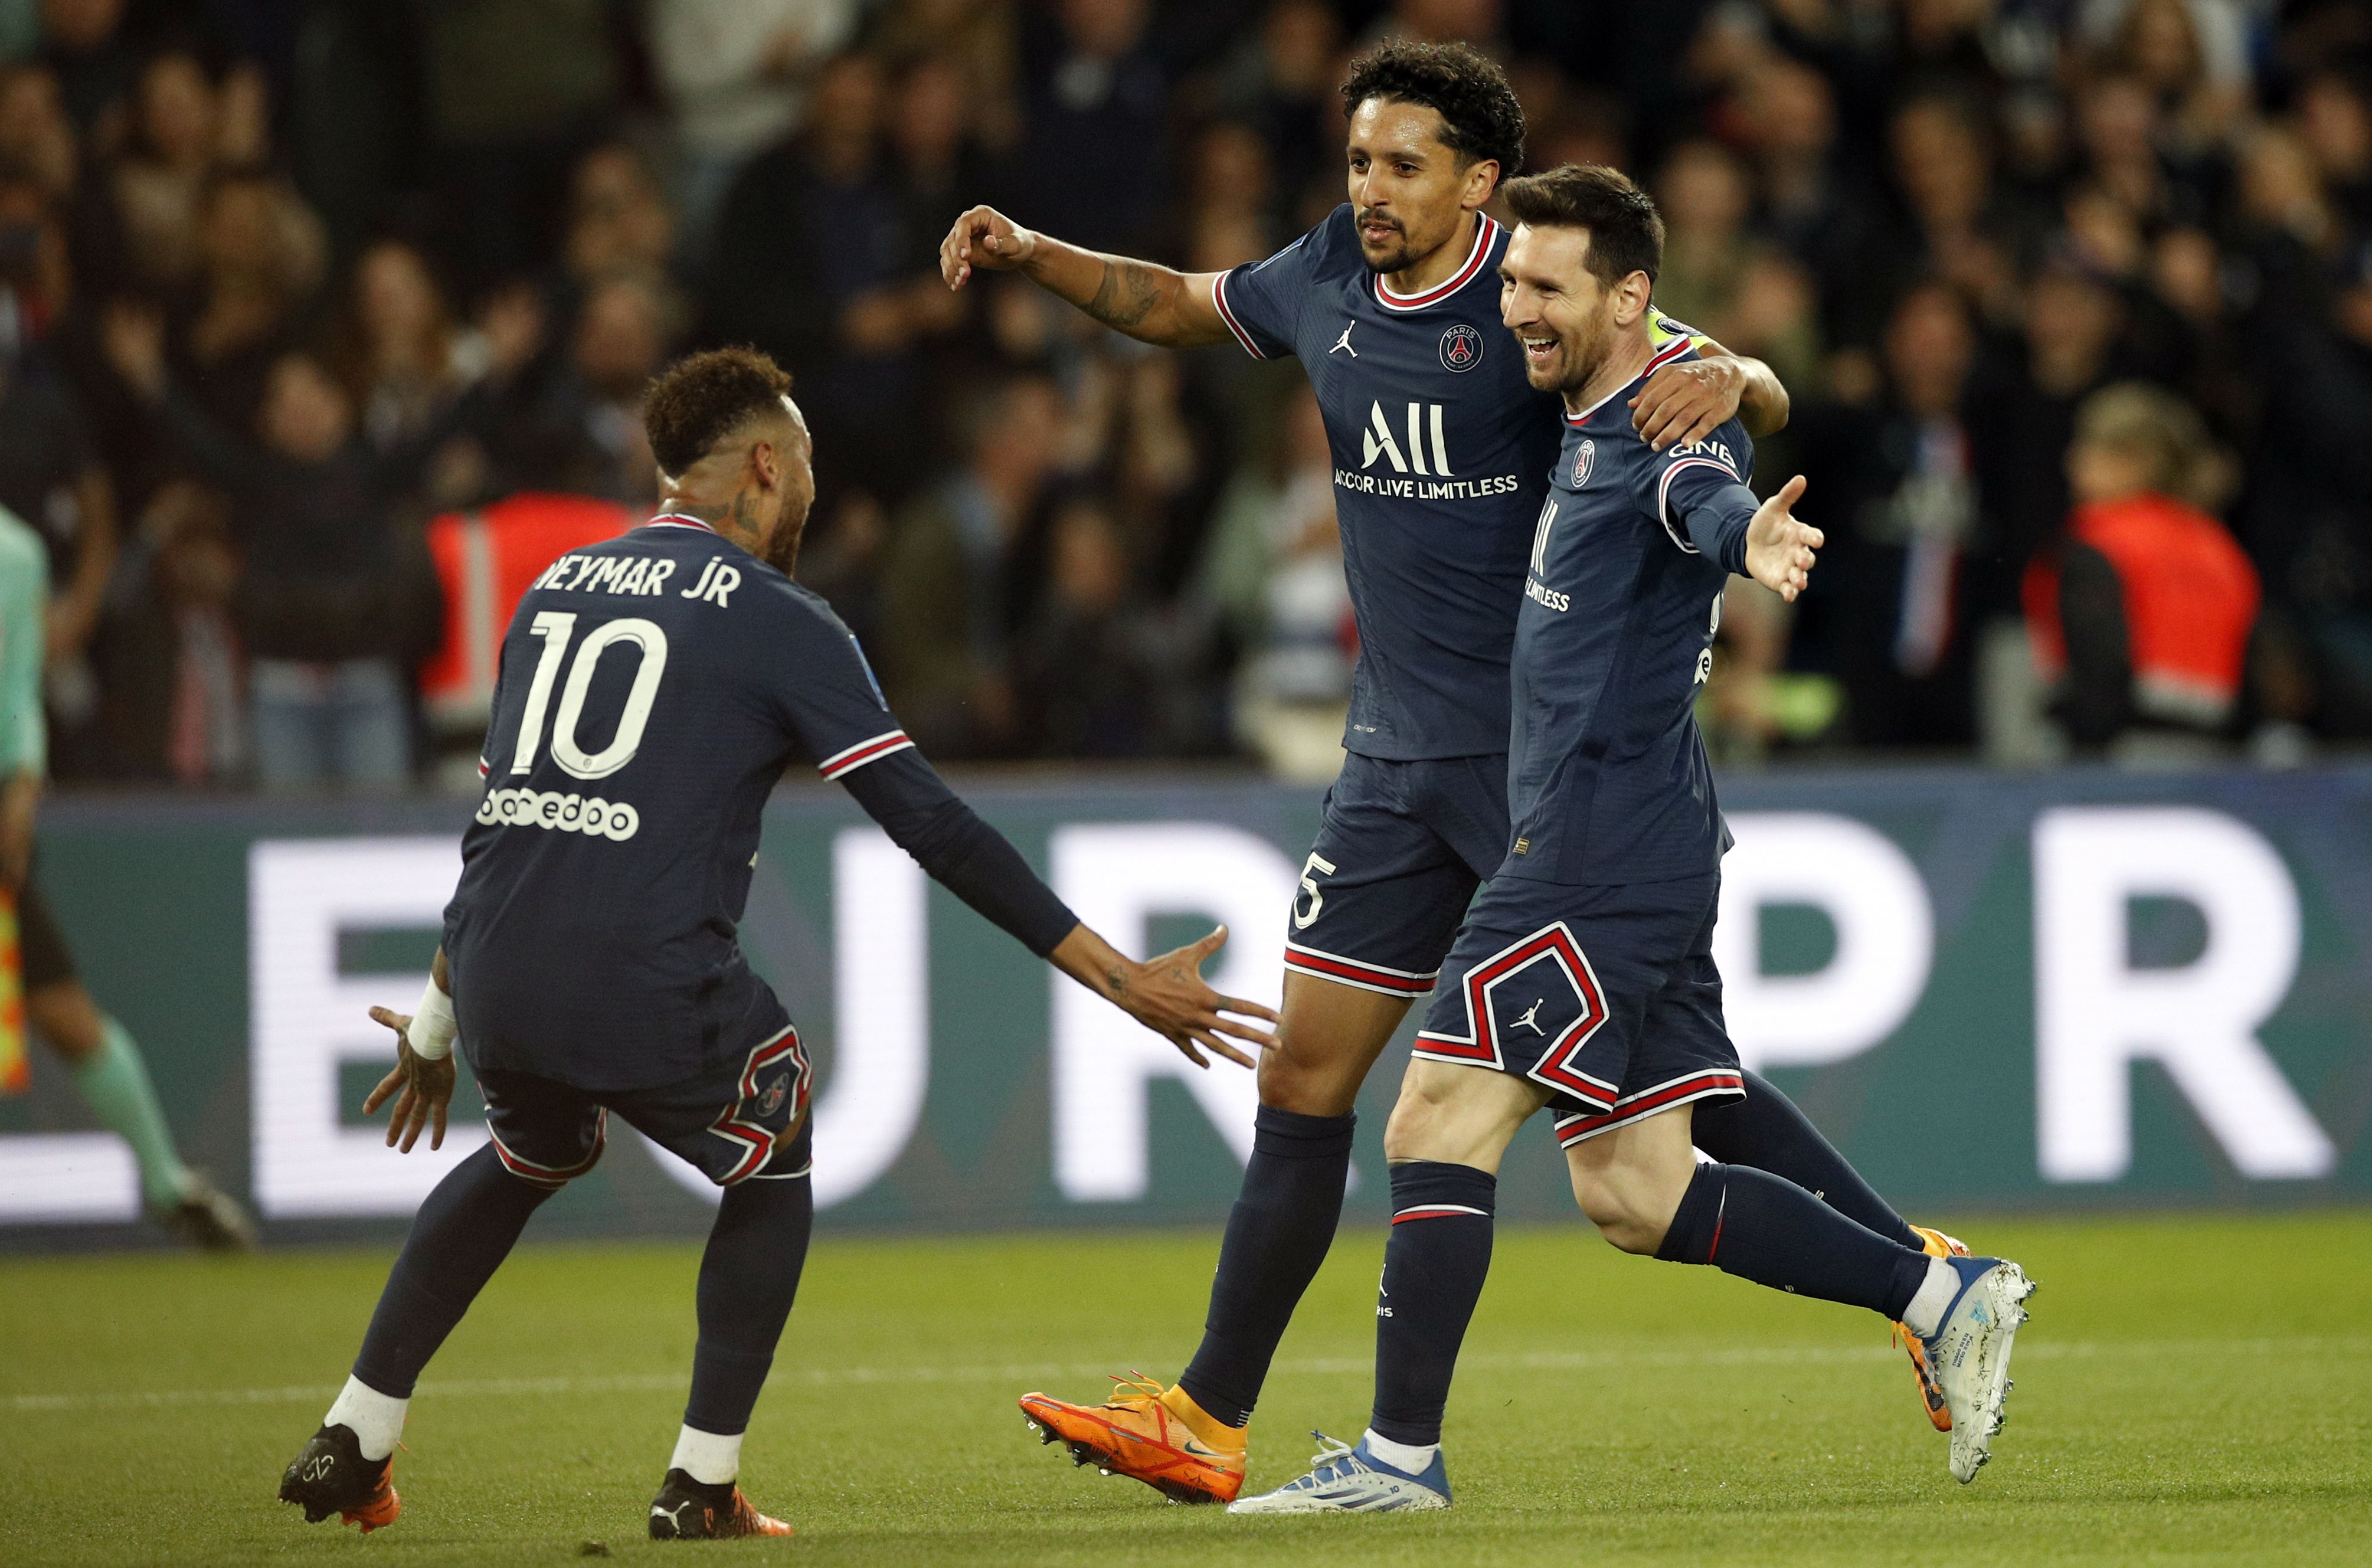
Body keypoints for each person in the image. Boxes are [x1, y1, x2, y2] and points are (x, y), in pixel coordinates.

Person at [944, 40, 1965, 1507]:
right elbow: (1175, 303)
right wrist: (1035, 252)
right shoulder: (1325, 279)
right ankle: (1210, 1414)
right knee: (1308, 1072)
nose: (1370, 188)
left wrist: (1742, 372)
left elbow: (1708, 386)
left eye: (1402, 164)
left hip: (1539, 763)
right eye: (1359, 160)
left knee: (1642, 1096)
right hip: (1392, 759)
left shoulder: (1531, 299)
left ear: (1477, 182)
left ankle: (1909, 1271)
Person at [272, 346, 1278, 1541]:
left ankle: (355, 1428)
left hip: (497, 963)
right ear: (762, 463)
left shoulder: (556, 588)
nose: (809, 486)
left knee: (530, 1150)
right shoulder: (781, 621)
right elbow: (931, 824)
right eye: (803, 460)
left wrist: (439, 1017)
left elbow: (507, 817)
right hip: (637, 971)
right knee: (774, 1136)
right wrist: (1115, 976)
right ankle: (700, 1482)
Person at [1229, 166, 2034, 1515]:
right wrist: (1750, 375)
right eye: (1514, 279)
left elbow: (1700, 498)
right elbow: (1736, 397)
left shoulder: (1664, 420)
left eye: (1546, 287)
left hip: (1588, 851)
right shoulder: (1597, 401)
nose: (1518, 308)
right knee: (1637, 1190)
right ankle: (1933, 1288)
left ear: (1628, 295)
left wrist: (1747, 539)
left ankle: (1396, 1460)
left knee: (1435, 1114)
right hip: (1632, 835)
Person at [0, 498, 253, 1245]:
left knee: (61, 1010)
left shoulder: (14, 555)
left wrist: (22, 782)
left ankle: (169, 1182)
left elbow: (18, 685)